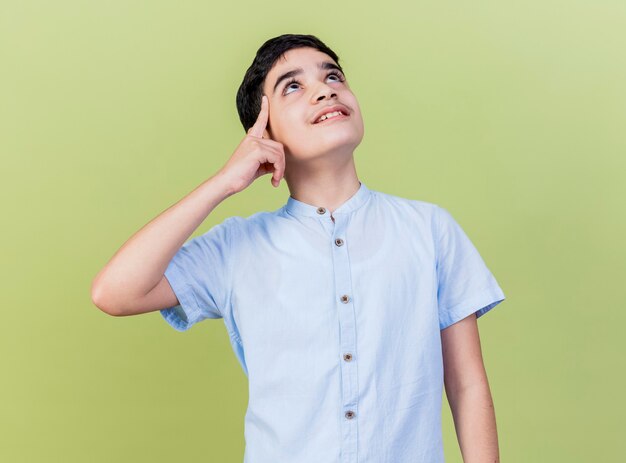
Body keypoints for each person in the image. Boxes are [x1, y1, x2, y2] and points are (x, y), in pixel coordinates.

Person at [91, 33, 506, 463]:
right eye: (293, 85)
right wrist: (223, 182)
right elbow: (114, 293)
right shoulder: (236, 248)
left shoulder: (429, 229)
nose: (325, 89)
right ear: (263, 132)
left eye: (334, 76)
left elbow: (467, 384)